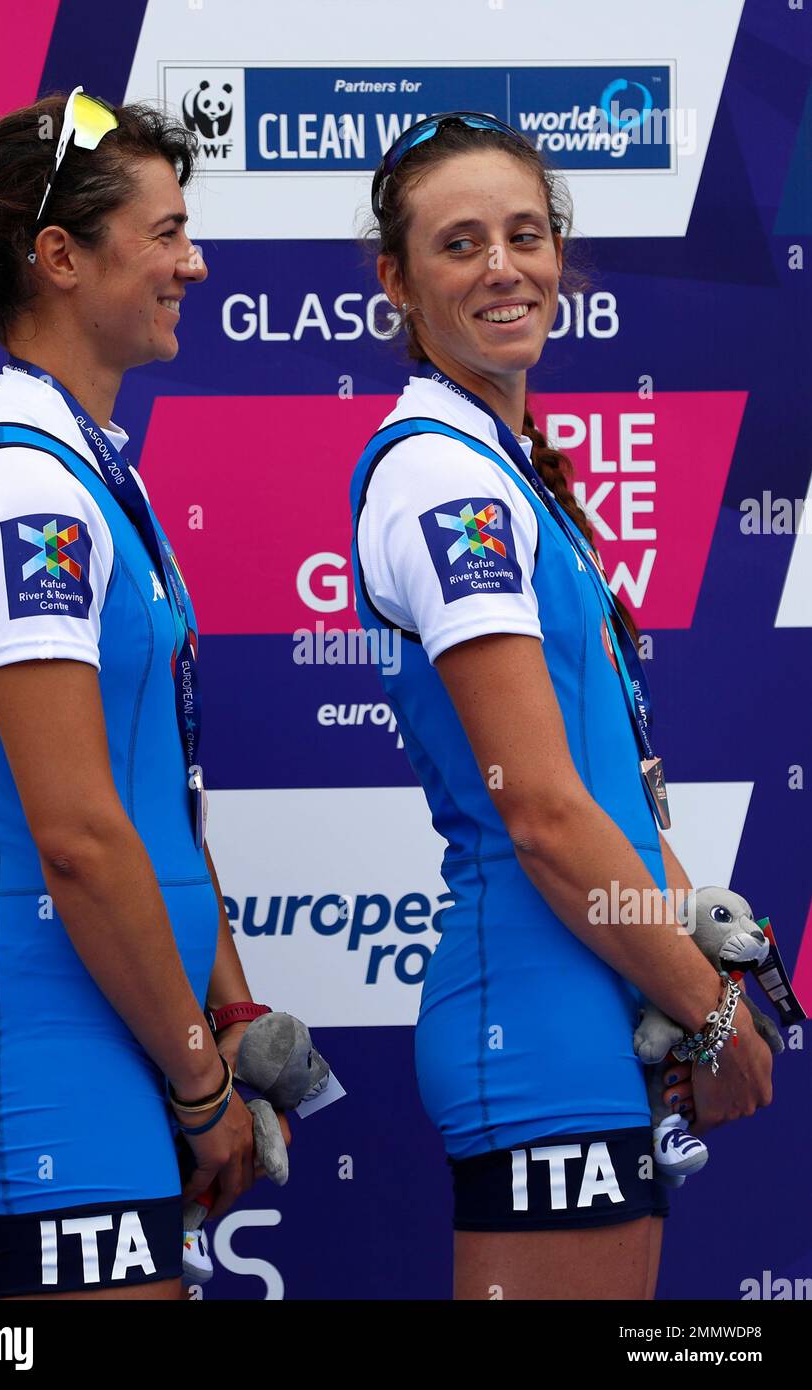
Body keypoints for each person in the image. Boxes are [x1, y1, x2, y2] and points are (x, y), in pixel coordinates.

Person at [350, 112, 773, 1300]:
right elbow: (537, 807)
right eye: (460, 243)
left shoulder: (493, 460)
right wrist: (709, 1008)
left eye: (525, 235)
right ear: (398, 281)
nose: (502, 267)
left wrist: (692, 927)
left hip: (586, 1003)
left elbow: (600, 790)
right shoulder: (441, 473)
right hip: (535, 1017)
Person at [0, 88, 284, 1301]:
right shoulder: (29, 494)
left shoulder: (84, 470)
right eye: (167, 233)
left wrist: (226, 1014)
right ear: (61, 258)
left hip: (129, 1048)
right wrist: (199, 1082)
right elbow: (75, 834)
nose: (195, 260)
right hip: (60, 1063)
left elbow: (154, 797)